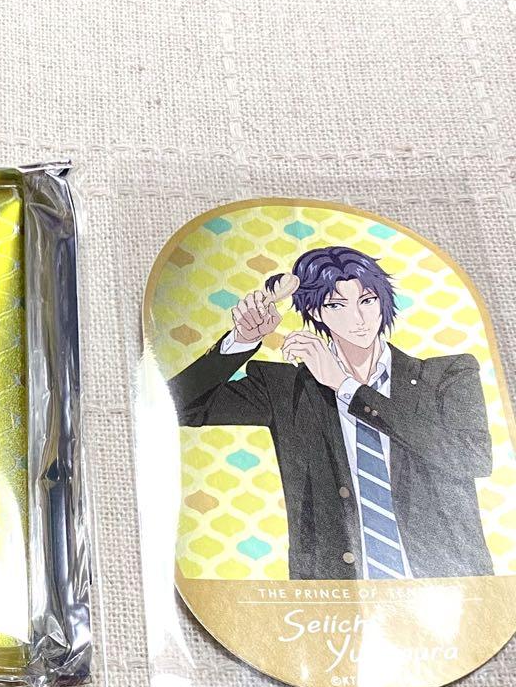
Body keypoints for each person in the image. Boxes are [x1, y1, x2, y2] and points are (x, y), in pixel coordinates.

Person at [168, 245, 493, 580]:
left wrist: (346, 387)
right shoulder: (288, 388)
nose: (358, 319)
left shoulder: (445, 376)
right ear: (315, 312)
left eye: (367, 300)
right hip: (331, 594)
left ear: (382, 301)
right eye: (336, 305)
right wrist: (242, 339)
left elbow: (474, 458)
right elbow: (179, 407)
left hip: (451, 587)